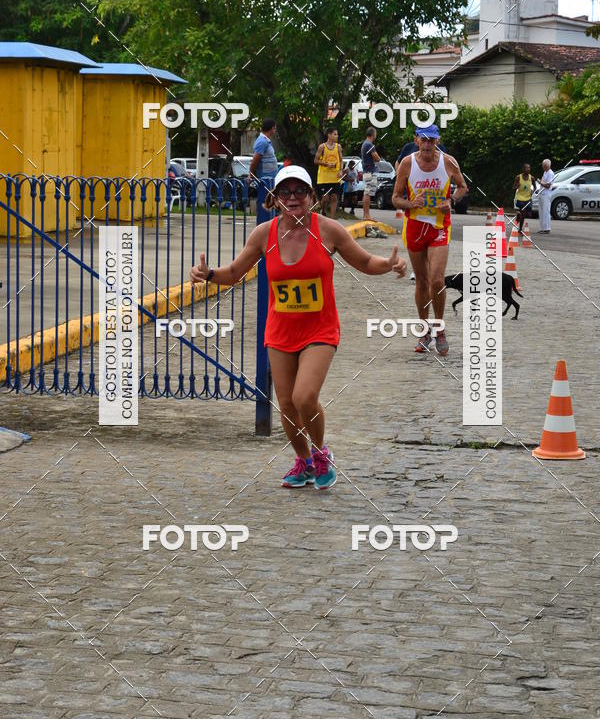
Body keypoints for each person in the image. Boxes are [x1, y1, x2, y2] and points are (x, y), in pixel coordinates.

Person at [190, 165, 408, 489]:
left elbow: (363, 262)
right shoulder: (264, 234)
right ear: (275, 198)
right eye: (285, 192)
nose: (292, 198)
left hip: (320, 330)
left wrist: (388, 264)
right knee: (288, 405)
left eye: (299, 191)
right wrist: (208, 274)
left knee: (305, 397)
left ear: (311, 196)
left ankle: (322, 455)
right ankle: (303, 463)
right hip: (280, 331)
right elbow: (235, 272)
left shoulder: (329, 230)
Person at [392, 125, 468, 356]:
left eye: (431, 140)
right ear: (416, 140)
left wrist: (452, 201)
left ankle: (440, 328)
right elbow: (395, 198)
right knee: (422, 282)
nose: (427, 144)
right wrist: (410, 204)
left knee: (437, 280)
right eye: (423, 140)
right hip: (415, 227)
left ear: (438, 141)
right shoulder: (407, 163)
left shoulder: (448, 162)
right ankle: (424, 331)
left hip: (439, 227)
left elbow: (463, 187)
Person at [315, 126, 343, 218]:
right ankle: (322, 210)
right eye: (335, 134)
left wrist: (341, 170)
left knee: (334, 197)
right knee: (325, 198)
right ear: (329, 135)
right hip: (324, 177)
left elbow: (341, 160)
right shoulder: (322, 147)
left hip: (335, 177)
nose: (337, 136)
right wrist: (326, 164)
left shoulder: (338, 147)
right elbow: (315, 161)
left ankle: (332, 218)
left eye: (337, 134)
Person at [250, 118, 278, 189]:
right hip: (265, 179)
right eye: (275, 128)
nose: (275, 130)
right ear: (272, 128)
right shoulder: (262, 142)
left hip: (270, 179)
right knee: (265, 199)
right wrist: (251, 174)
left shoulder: (266, 140)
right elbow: (255, 161)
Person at [361, 127, 380, 221]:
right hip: (370, 170)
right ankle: (367, 215)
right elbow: (376, 158)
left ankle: (366, 215)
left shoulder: (365, 143)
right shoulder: (370, 145)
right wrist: (378, 159)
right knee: (368, 193)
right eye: (375, 133)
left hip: (366, 170)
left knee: (367, 192)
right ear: (373, 134)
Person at [513, 163, 536, 233]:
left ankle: (518, 216)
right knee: (523, 214)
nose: (528, 169)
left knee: (529, 214)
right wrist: (517, 185)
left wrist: (533, 190)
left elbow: (535, 186)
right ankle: (519, 229)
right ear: (523, 169)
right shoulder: (518, 177)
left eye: (529, 168)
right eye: (526, 168)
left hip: (528, 198)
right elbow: (513, 187)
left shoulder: (531, 178)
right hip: (520, 198)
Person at [537, 158, 555, 234]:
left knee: (546, 211)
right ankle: (542, 228)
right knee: (541, 211)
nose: (542, 166)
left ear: (546, 165)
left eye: (543, 165)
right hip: (542, 193)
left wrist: (540, 182)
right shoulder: (545, 172)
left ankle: (547, 228)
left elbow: (548, 185)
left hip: (546, 194)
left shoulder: (550, 173)